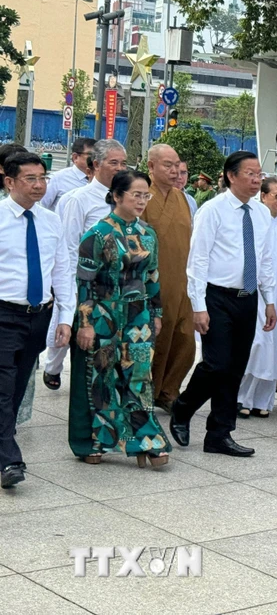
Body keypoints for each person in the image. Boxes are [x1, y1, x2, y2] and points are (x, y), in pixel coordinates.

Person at [170, 151, 277, 458]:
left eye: (260, 175)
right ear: (231, 176)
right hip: (216, 297)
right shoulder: (213, 210)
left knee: (235, 368)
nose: (257, 180)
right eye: (251, 174)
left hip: (248, 297)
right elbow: (198, 260)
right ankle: (183, 406)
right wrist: (198, 306)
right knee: (216, 363)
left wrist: (269, 300)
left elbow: (265, 259)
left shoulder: (259, 213)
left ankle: (219, 433)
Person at [69, 169, 171, 467]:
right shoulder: (97, 235)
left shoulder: (147, 234)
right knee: (100, 378)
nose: (142, 201)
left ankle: (146, 441)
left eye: (145, 195)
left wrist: (157, 313)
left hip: (138, 316)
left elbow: (153, 277)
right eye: (136, 195)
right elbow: (84, 283)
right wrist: (85, 324)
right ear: (116, 196)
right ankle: (93, 442)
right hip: (102, 315)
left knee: (138, 376)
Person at [0, 153, 74, 489]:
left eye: (42, 177)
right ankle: (9, 461)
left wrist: (65, 317)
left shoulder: (50, 220)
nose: (39, 185)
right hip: (3, 312)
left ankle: (3, 441)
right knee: (2, 386)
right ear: (10, 182)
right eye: (30, 178)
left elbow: (61, 270)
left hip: (38, 314)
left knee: (17, 386)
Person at [41, 139, 128, 391]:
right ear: (96, 164)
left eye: (124, 163)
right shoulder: (77, 200)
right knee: (72, 338)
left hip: (116, 288)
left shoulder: (125, 199)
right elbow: (68, 248)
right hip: (86, 285)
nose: (120, 168)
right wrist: (69, 291)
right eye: (114, 163)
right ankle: (53, 368)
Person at [142, 144, 196, 411]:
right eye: (168, 165)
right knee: (156, 338)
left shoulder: (183, 198)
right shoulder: (142, 197)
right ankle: (147, 392)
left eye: (177, 165)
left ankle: (169, 390)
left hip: (183, 282)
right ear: (150, 167)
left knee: (185, 338)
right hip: (153, 283)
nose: (175, 171)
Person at [238, 177, 277, 418]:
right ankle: (242, 396)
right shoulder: (253, 220)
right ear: (263, 196)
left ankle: (263, 399)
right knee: (257, 343)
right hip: (257, 292)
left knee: (274, 347)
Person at [40, 137, 95, 210]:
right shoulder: (57, 179)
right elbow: (42, 207)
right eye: (91, 155)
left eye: (99, 156)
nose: (96, 159)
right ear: (75, 157)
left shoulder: (101, 179)